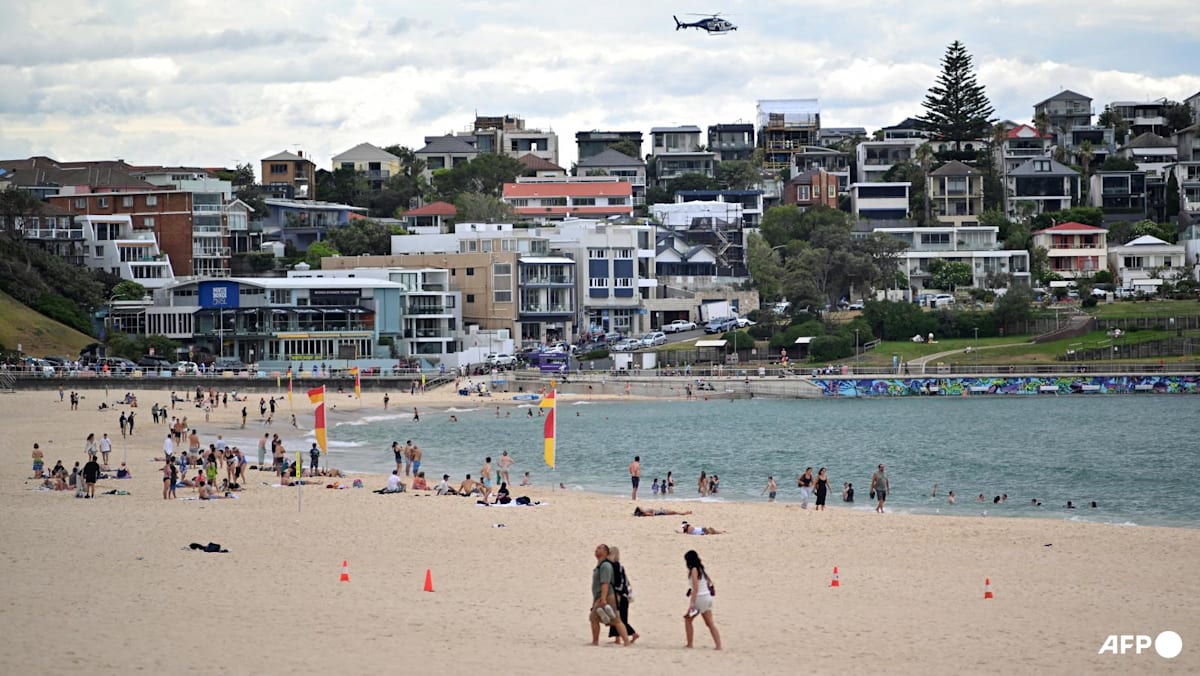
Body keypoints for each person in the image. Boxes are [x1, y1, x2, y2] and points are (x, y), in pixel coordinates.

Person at [589, 544, 630, 647]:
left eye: (599, 548)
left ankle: (626, 642)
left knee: (615, 619)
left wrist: (603, 599)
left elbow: (605, 583)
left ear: (606, 552)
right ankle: (595, 641)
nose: (596, 550)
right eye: (596, 548)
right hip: (600, 596)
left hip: (607, 596)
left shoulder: (605, 566)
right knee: (594, 618)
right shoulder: (600, 565)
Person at [683, 550, 722, 650]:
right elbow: (708, 582)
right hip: (707, 597)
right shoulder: (701, 569)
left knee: (688, 620)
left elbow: (696, 588)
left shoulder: (693, 570)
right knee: (710, 623)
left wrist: (692, 603)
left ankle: (690, 644)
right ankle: (718, 645)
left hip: (699, 599)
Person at [607, 546, 639, 644]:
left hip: (619, 595)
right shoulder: (619, 566)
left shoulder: (613, 566)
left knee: (619, 618)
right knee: (618, 616)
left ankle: (633, 633)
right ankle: (617, 638)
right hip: (624, 595)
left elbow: (617, 583)